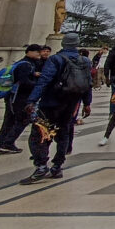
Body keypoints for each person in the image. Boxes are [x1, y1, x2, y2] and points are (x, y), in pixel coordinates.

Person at [20, 33, 92, 184]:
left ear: (63, 44)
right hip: (71, 102)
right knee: (64, 133)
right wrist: (87, 103)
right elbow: (87, 83)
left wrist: (32, 100)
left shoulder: (56, 59)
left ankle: (41, 165)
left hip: (51, 102)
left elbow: (45, 80)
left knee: (39, 133)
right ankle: (57, 166)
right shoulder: (85, 60)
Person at [0, 45, 42, 154]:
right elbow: (24, 82)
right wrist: (38, 84)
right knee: (22, 119)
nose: (39, 54)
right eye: (37, 51)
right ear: (29, 52)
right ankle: (7, 143)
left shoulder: (24, 63)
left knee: (9, 121)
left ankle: (1, 145)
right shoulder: (25, 65)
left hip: (14, 97)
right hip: (18, 97)